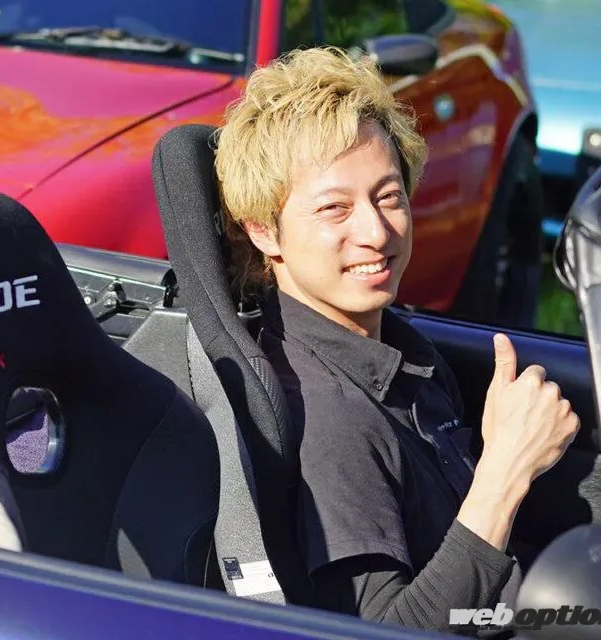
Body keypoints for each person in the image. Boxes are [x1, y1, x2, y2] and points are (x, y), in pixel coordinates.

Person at [212, 47, 580, 635]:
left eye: (388, 197)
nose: (377, 232)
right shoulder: (330, 422)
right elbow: (390, 629)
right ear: (264, 231)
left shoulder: (399, 351)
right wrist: (505, 471)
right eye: (334, 209)